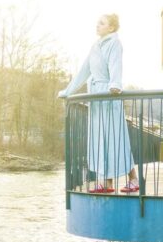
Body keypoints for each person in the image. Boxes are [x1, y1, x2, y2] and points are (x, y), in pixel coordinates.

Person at [59, 14, 139, 193]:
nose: (97, 25)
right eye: (98, 22)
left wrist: (115, 85)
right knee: (100, 140)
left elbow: (116, 65)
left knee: (115, 139)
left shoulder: (114, 44)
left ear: (111, 28)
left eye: (102, 23)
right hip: (96, 98)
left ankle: (133, 179)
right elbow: (83, 71)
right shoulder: (95, 46)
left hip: (109, 96)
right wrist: (68, 91)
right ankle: (107, 183)